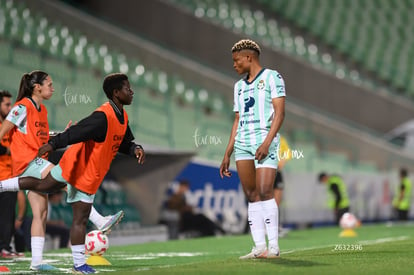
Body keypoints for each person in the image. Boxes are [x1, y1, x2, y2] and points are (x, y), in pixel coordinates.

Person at [0, 73, 145, 274]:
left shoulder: (42, 111)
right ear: (37, 87)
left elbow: (39, 136)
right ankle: (99, 220)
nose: (53, 88)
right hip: (28, 161)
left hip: (39, 159)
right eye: (49, 84)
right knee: (62, 182)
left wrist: (58, 136)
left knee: (40, 213)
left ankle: (36, 262)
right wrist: (57, 141)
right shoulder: (22, 107)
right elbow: (3, 130)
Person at [220, 39, 286, 259]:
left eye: (236, 60)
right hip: (243, 145)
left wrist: (267, 142)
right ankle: (259, 246)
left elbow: (280, 113)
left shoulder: (272, 77)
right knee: (251, 194)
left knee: (266, 190)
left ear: (249, 57)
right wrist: (228, 152)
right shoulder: (238, 86)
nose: (234, 64)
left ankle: (274, 246)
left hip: (264, 141)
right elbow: (237, 120)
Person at [0, 90, 24, 258]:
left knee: (8, 215)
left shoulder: (11, 126)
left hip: (10, 176)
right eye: (6, 104)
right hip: (2, 175)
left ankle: (5, 247)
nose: (10, 107)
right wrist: (8, 150)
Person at [273, 135, 291, 237]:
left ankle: (276, 227)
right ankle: (264, 227)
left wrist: (282, 161)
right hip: (265, 171)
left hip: (277, 173)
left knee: (276, 202)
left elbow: (288, 153)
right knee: (265, 199)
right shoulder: (260, 134)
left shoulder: (280, 138)